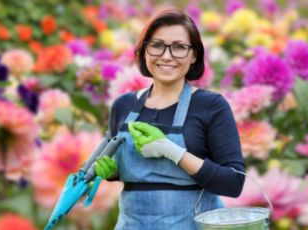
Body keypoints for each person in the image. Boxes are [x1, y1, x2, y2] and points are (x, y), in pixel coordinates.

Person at [94, 7, 245, 229]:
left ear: (194, 55)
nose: (166, 56)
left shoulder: (211, 106)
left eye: (179, 48)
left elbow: (233, 183)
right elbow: (135, 174)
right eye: (156, 45)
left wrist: (172, 151)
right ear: (144, 51)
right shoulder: (123, 106)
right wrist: (113, 171)